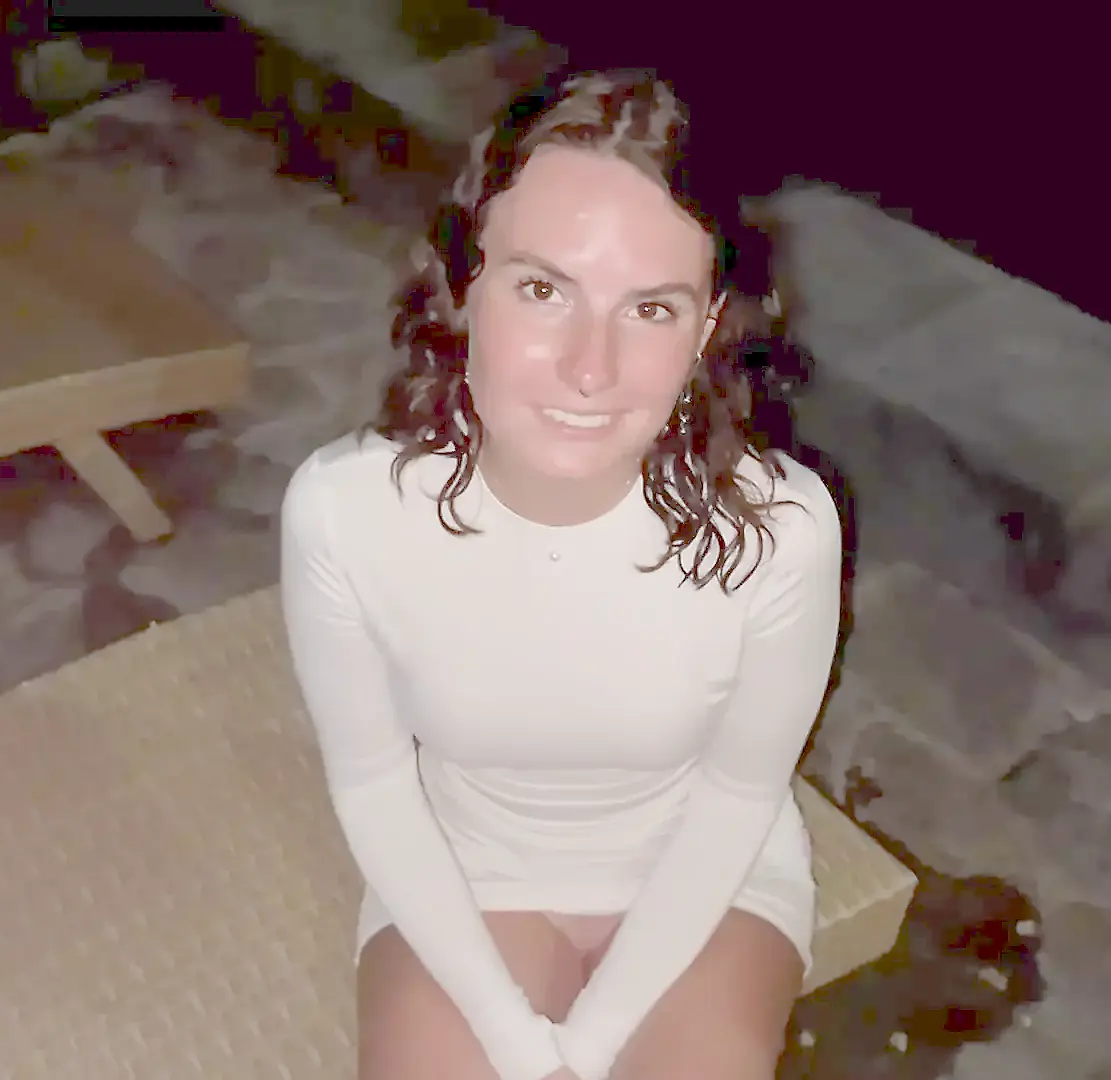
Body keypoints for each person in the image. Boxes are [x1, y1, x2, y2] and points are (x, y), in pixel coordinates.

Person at [278, 68, 843, 1080]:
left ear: (708, 328)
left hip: (708, 881)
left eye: (652, 309)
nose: (591, 368)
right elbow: (372, 784)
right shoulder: (345, 512)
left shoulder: (783, 530)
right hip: (468, 875)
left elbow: (736, 795)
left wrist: (588, 1043)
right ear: (464, 287)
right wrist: (514, 1042)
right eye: (543, 290)